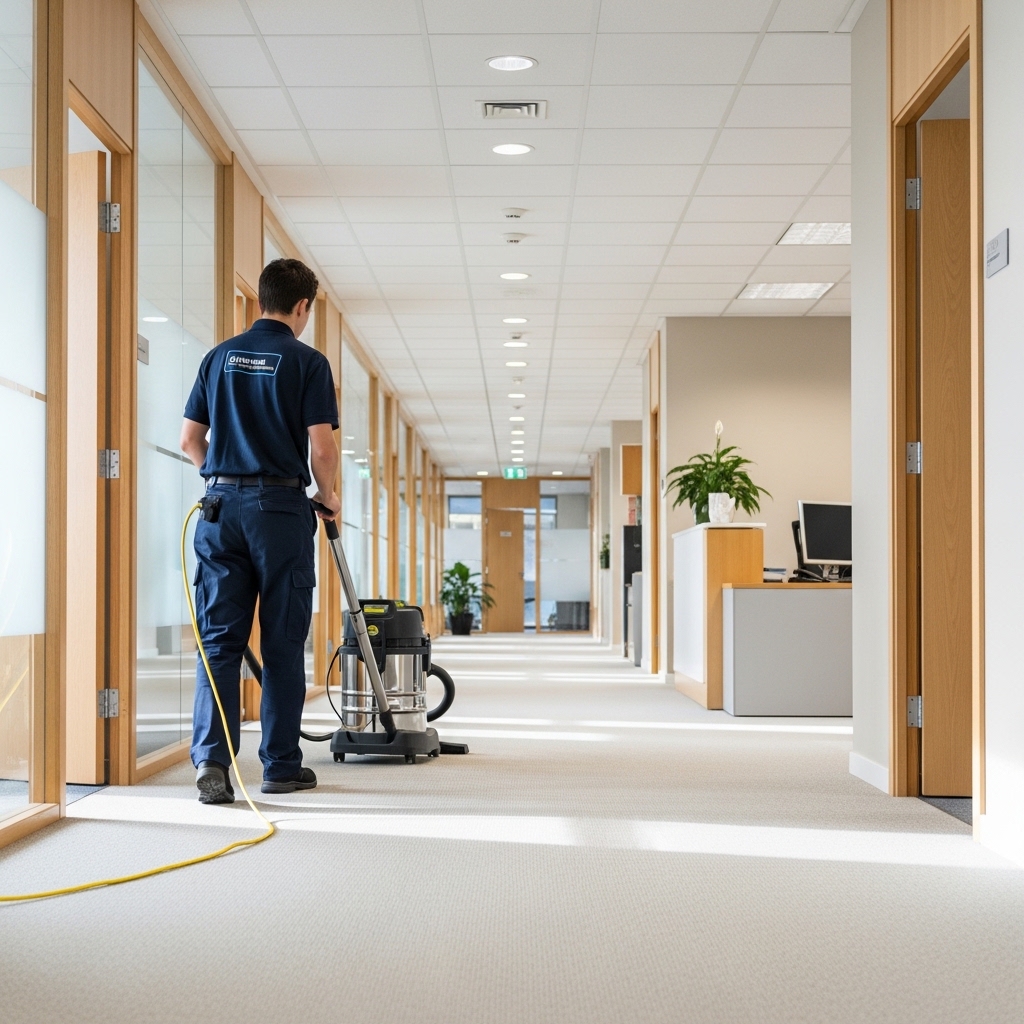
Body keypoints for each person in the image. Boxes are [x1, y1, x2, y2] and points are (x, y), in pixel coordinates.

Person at [180, 259, 340, 804]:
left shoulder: (218, 356)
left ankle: (213, 765)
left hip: (221, 510)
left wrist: (219, 477)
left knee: (219, 643)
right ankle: (280, 766)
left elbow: (189, 440)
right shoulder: (308, 362)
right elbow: (321, 445)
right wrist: (330, 493)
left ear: (261, 300)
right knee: (282, 642)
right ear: (302, 307)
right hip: (280, 510)